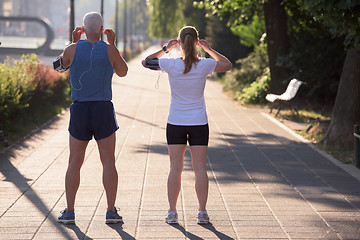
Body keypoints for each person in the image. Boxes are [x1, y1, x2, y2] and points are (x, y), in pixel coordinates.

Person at [142, 26, 232, 224]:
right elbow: (227, 65)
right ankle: (202, 213)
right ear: (197, 41)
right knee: (200, 168)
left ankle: (172, 213)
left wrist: (166, 48)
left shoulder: (171, 64)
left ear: (179, 42)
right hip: (199, 122)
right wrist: (208, 49)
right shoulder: (205, 65)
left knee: (175, 168)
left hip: (176, 122)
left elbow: (145, 62)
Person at [56, 12, 128, 224]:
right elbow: (123, 72)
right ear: (103, 29)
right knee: (108, 161)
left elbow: (58, 67)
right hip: (103, 109)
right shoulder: (109, 50)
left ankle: (69, 211)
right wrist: (113, 45)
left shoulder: (72, 49)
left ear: (84, 29)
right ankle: (111, 211)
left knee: (74, 162)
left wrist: (73, 43)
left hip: (80, 110)